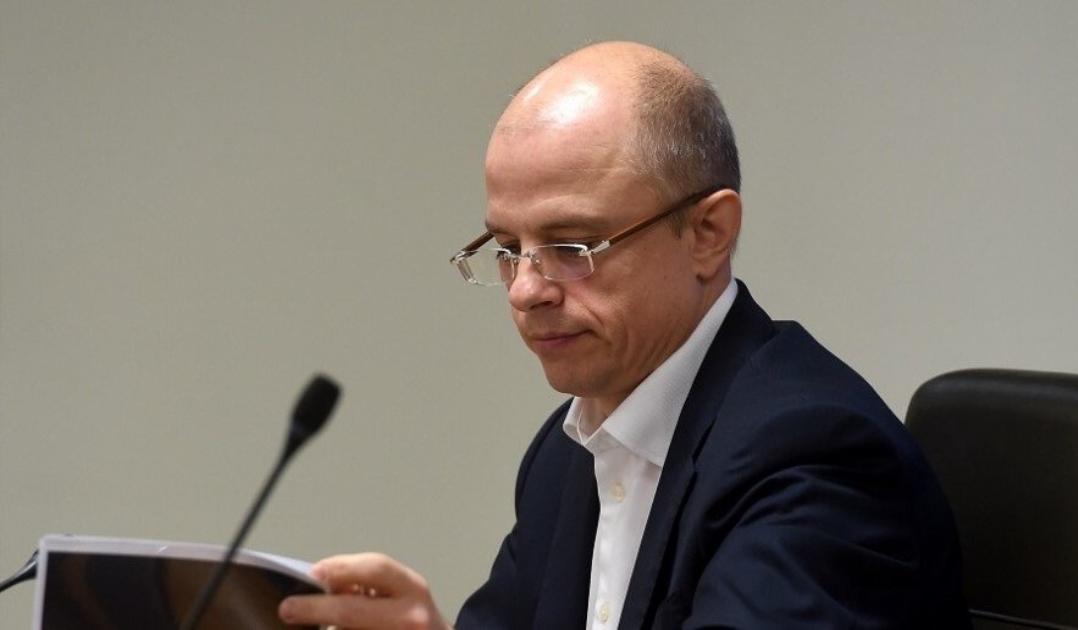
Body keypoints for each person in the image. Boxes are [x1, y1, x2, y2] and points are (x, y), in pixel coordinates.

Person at [279, 41, 970, 629]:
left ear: (708, 233)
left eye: (571, 246)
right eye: (509, 248)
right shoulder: (567, 450)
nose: (525, 290)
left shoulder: (814, 456)